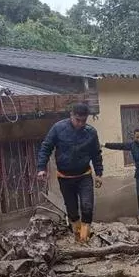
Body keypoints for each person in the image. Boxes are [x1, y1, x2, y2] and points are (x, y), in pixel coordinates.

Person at [37, 103, 103, 243]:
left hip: (84, 175)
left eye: (83, 121)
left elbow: (96, 154)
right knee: (72, 211)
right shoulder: (58, 128)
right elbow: (46, 147)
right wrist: (41, 167)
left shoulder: (91, 133)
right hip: (65, 177)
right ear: (71, 116)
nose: (80, 124)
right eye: (77, 120)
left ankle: (84, 237)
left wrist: (99, 173)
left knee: (87, 206)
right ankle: (78, 235)